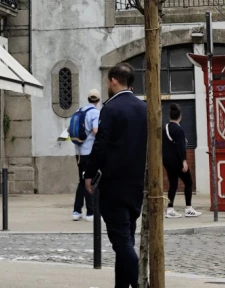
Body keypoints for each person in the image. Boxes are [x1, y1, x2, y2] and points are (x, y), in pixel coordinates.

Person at [85, 64, 146, 288]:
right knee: (126, 238)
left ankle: (141, 283)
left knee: (121, 242)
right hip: (137, 183)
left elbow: (101, 146)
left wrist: (89, 174)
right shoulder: (143, 108)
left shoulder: (110, 109)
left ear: (113, 81)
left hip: (114, 184)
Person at [162, 103, 199, 218]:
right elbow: (180, 146)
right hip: (177, 161)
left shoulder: (166, 127)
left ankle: (170, 208)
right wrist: (184, 161)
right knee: (188, 182)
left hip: (167, 161)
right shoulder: (178, 130)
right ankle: (188, 208)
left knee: (173, 184)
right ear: (180, 116)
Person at [72, 88, 102, 221]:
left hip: (78, 152)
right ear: (98, 100)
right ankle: (91, 212)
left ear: (88, 98)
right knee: (91, 181)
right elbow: (96, 130)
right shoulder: (95, 112)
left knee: (82, 180)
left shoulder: (79, 111)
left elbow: (69, 129)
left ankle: (77, 211)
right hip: (89, 152)